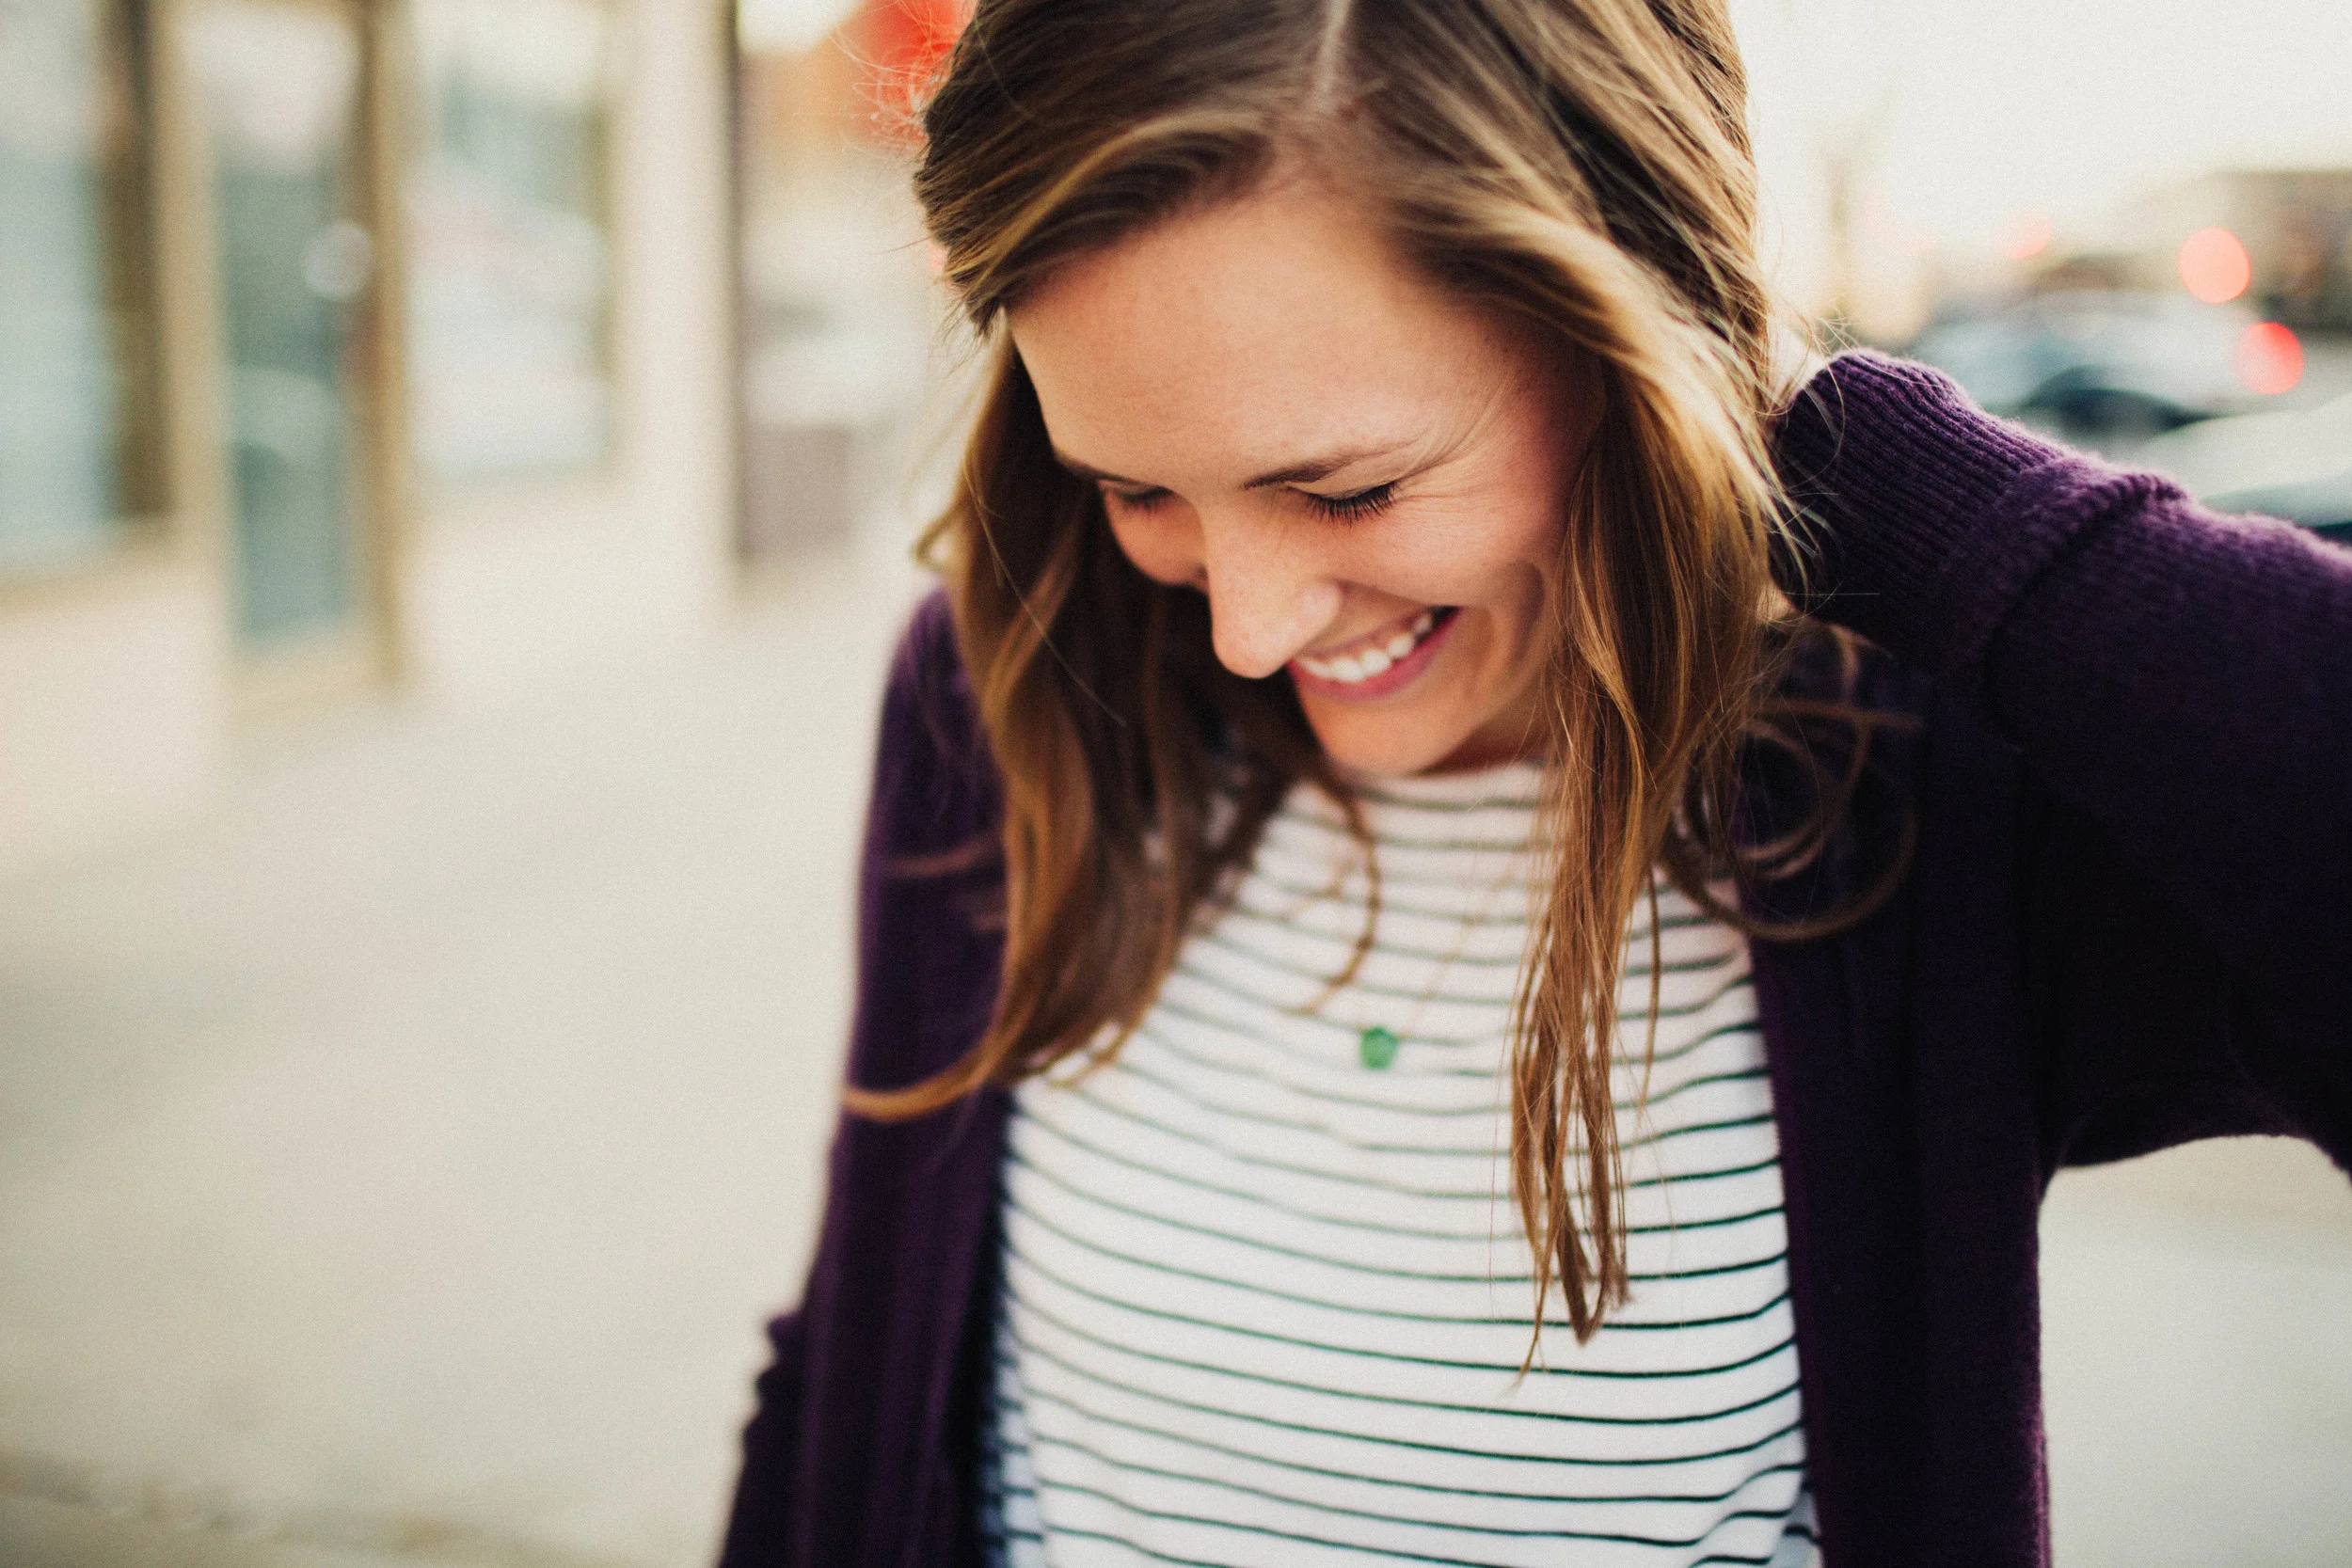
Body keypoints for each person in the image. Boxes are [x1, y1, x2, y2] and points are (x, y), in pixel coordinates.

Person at [717, 0, 2352, 1562]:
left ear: (1629, 341)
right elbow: (850, 1371)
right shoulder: (1010, 700)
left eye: (1348, 492)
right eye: (1139, 489)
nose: (1246, 626)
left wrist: (1844, 463)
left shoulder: (1916, 795)